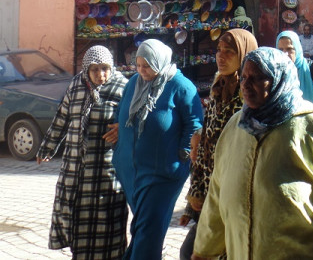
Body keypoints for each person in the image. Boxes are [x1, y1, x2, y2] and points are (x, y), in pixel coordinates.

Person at [190, 47, 313, 259]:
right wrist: (203, 251)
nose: (246, 85)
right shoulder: (236, 127)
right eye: (244, 78)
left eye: (258, 78)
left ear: (280, 80)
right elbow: (217, 195)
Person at [112, 38, 203, 260]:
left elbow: (195, 124)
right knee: (143, 227)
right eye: (138, 65)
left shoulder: (181, 86)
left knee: (148, 229)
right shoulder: (134, 82)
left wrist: (183, 152)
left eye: (147, 66)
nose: (141, 70)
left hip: (163, 173)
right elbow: (122, 112)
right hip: (132, 172)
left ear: (160, 62)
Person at [36, 45, 128, 259]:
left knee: (108, 225)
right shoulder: (76, 85)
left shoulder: (122, 87)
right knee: (80, 226)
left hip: (106, 170)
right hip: (76, 168)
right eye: (95, 69)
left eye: (105, 68)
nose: (100, 75)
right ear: (86, 69)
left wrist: (123, 128)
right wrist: (47, 146)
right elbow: (62, 117)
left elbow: (136, 120)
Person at [179, 29, 258, 260]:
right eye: (219, 51)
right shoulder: (218, 87)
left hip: (234, 195)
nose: (221, 57)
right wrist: (194, 196)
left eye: (229, 52)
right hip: (211, 193)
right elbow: (205, 148)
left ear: (244, 54)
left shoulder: (249, 98)